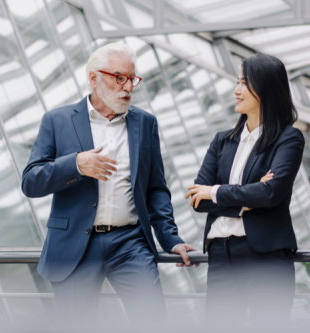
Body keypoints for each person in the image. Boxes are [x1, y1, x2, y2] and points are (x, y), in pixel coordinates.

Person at [21, 43, 197, 326]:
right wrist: (76, 165)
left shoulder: (145, 123)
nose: (128, 86)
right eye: (119, 78)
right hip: (75, 244)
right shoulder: (57, 121)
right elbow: (31, 181)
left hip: (130, 243)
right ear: (94, 78)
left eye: (132, 79)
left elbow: (156, 189)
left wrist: (171, 239)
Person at [185, 54, 303, 330]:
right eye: (237, 82)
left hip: (264, 255)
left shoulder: (288, 138)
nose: (236, 90)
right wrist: (244, 199)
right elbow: (196, 200)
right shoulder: (222, 141)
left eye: (244, 83)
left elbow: (270, 193)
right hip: (220, 255)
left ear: (266, 88)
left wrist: (214, 192)